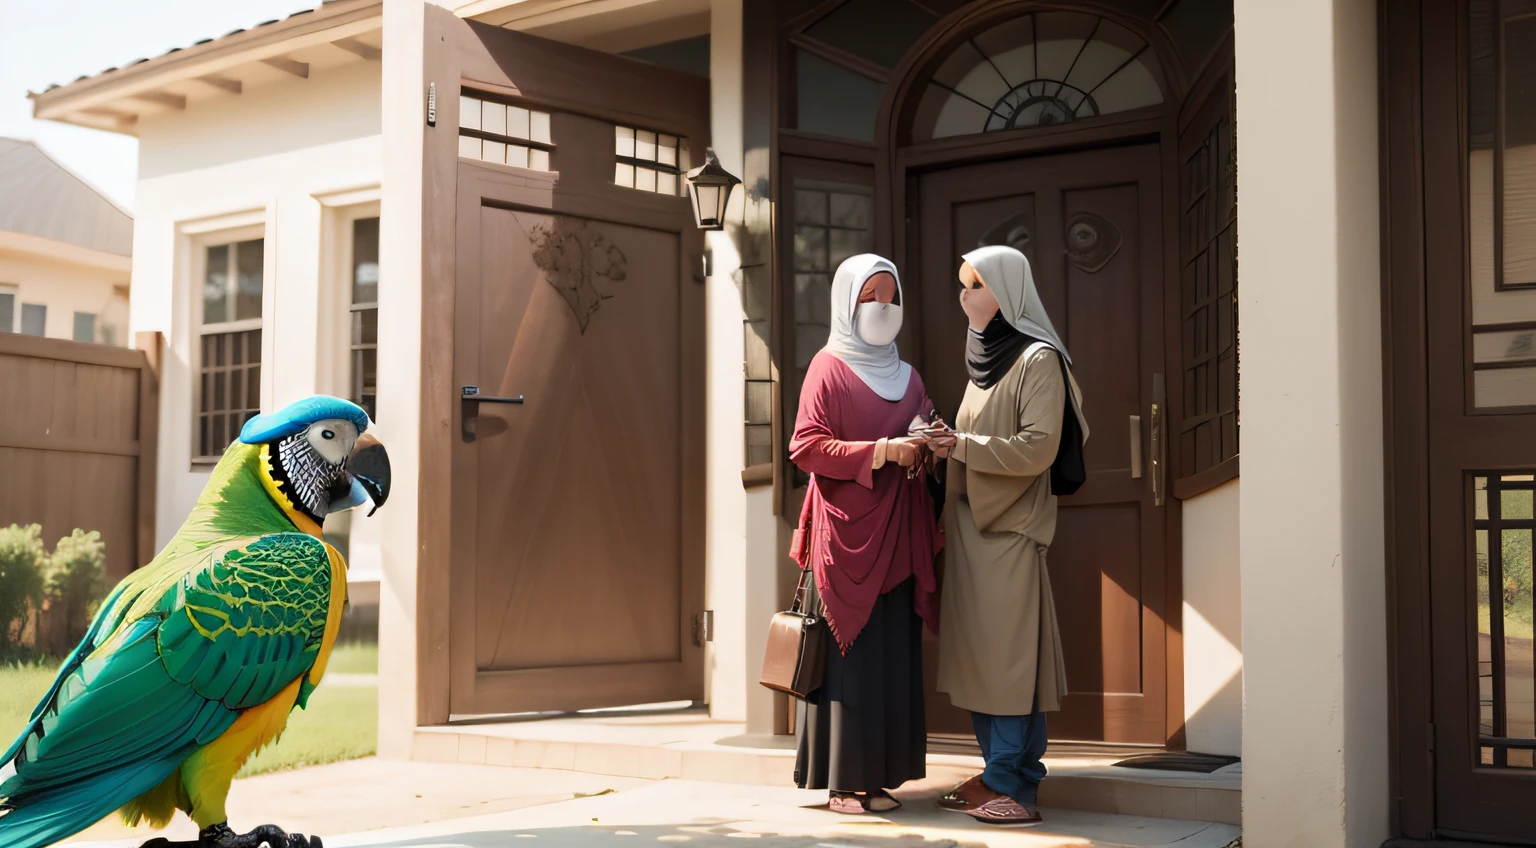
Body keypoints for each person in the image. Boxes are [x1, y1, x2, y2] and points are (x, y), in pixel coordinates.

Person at [932, 245, 1089, 828]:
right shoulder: (983, 356)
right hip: (972, 527)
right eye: (961, 285)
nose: (964, 296)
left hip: (1011, 528)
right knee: (984, 660)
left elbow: (1037, 447)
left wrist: (960, 446)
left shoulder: (1036, 360)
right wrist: (944, 441)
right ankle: (1006, 774)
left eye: (975, 285)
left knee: (1010, 662)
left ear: (1007, 291)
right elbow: (977, 435)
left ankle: (1012, 784)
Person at [789, 253, 941, 815]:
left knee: (890, 655)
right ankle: (841, 781)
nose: (884, 306)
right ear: (847, 302)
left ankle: (878, 776)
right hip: (846, 536)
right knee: (849, 660)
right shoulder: (827, 368)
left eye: (891, 296)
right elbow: (805, 447)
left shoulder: (909, 375)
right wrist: (879, 452)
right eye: (871, 295)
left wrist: (929, 439)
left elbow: (921, 424)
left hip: (898, 534)